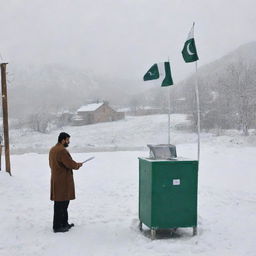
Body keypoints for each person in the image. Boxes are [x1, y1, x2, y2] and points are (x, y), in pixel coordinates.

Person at [49, 132, 83, 233]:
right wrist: (77, 165)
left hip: (57, 179)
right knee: (61, 203)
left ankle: (64, 223)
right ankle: (58, 226)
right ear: (63, 140)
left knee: (63, 202)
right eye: (68, 140)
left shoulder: (53, 149)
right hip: (62, 181)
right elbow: (70, 164)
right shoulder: (62, 151)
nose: (69, 142)